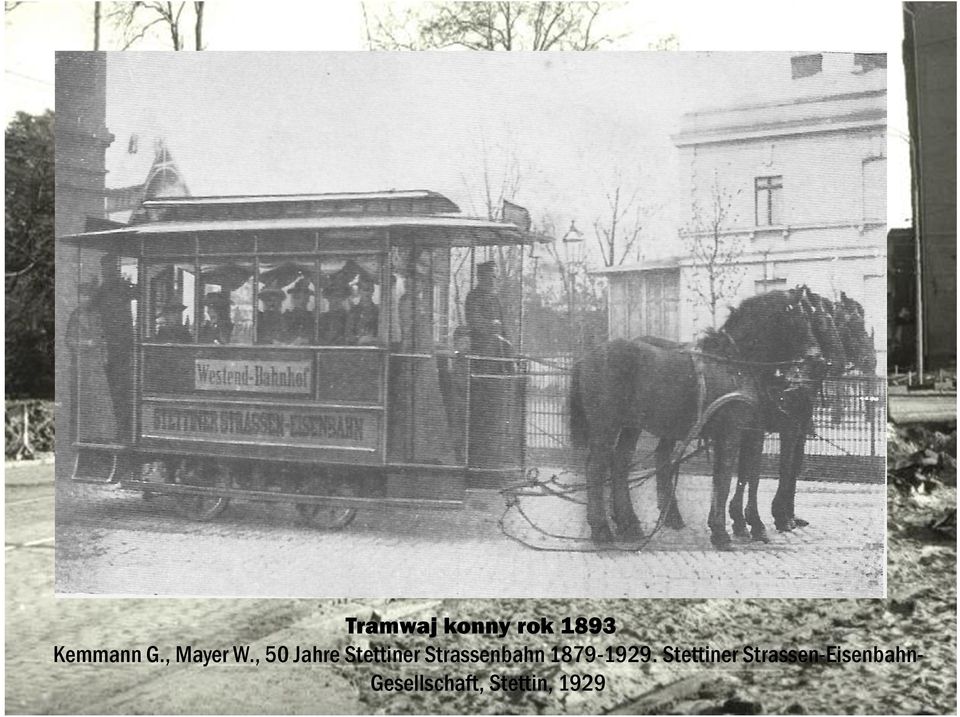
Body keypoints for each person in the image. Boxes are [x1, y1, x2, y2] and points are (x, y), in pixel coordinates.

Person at [464, 260, 512, 366]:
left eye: (494, 277)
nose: (492, 281)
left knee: (508, 350)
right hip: (480, 343)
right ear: (480, 278)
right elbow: (473, 319)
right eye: (489, 277)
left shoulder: (495, 298)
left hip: (498, 345)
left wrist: (505, 336)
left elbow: (503, 323)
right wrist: (490, 324)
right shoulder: (473, 297)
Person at [346, 278, 379, 345]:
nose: (368, 293)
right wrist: (358, 340)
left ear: (373, 291)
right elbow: (348, 335)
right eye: (365, 290)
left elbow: (382, 335)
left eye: (370, 289)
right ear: (359, 291)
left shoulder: (377, 311)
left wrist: (372, 339)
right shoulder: (353, 311)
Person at [284, 277, 315, 345]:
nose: (297, 301)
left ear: (307, 299)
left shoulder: (313, 318)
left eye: (299, 297)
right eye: (295, 297)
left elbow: (317, 337)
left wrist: (306, 340)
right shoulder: (286, 316)